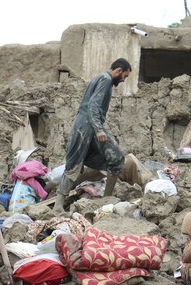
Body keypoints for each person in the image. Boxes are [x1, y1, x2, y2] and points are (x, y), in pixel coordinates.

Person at [54, 58, 132, 213]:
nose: (124, 79)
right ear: (118, 71)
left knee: (115, 158)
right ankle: (58, 205)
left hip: (88, 125)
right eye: (125, 76)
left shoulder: (102, 79)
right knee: (74, 165)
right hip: (86, 127)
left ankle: (107, 198)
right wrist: (98, 129)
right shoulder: (105, 79)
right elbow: (93, 105)